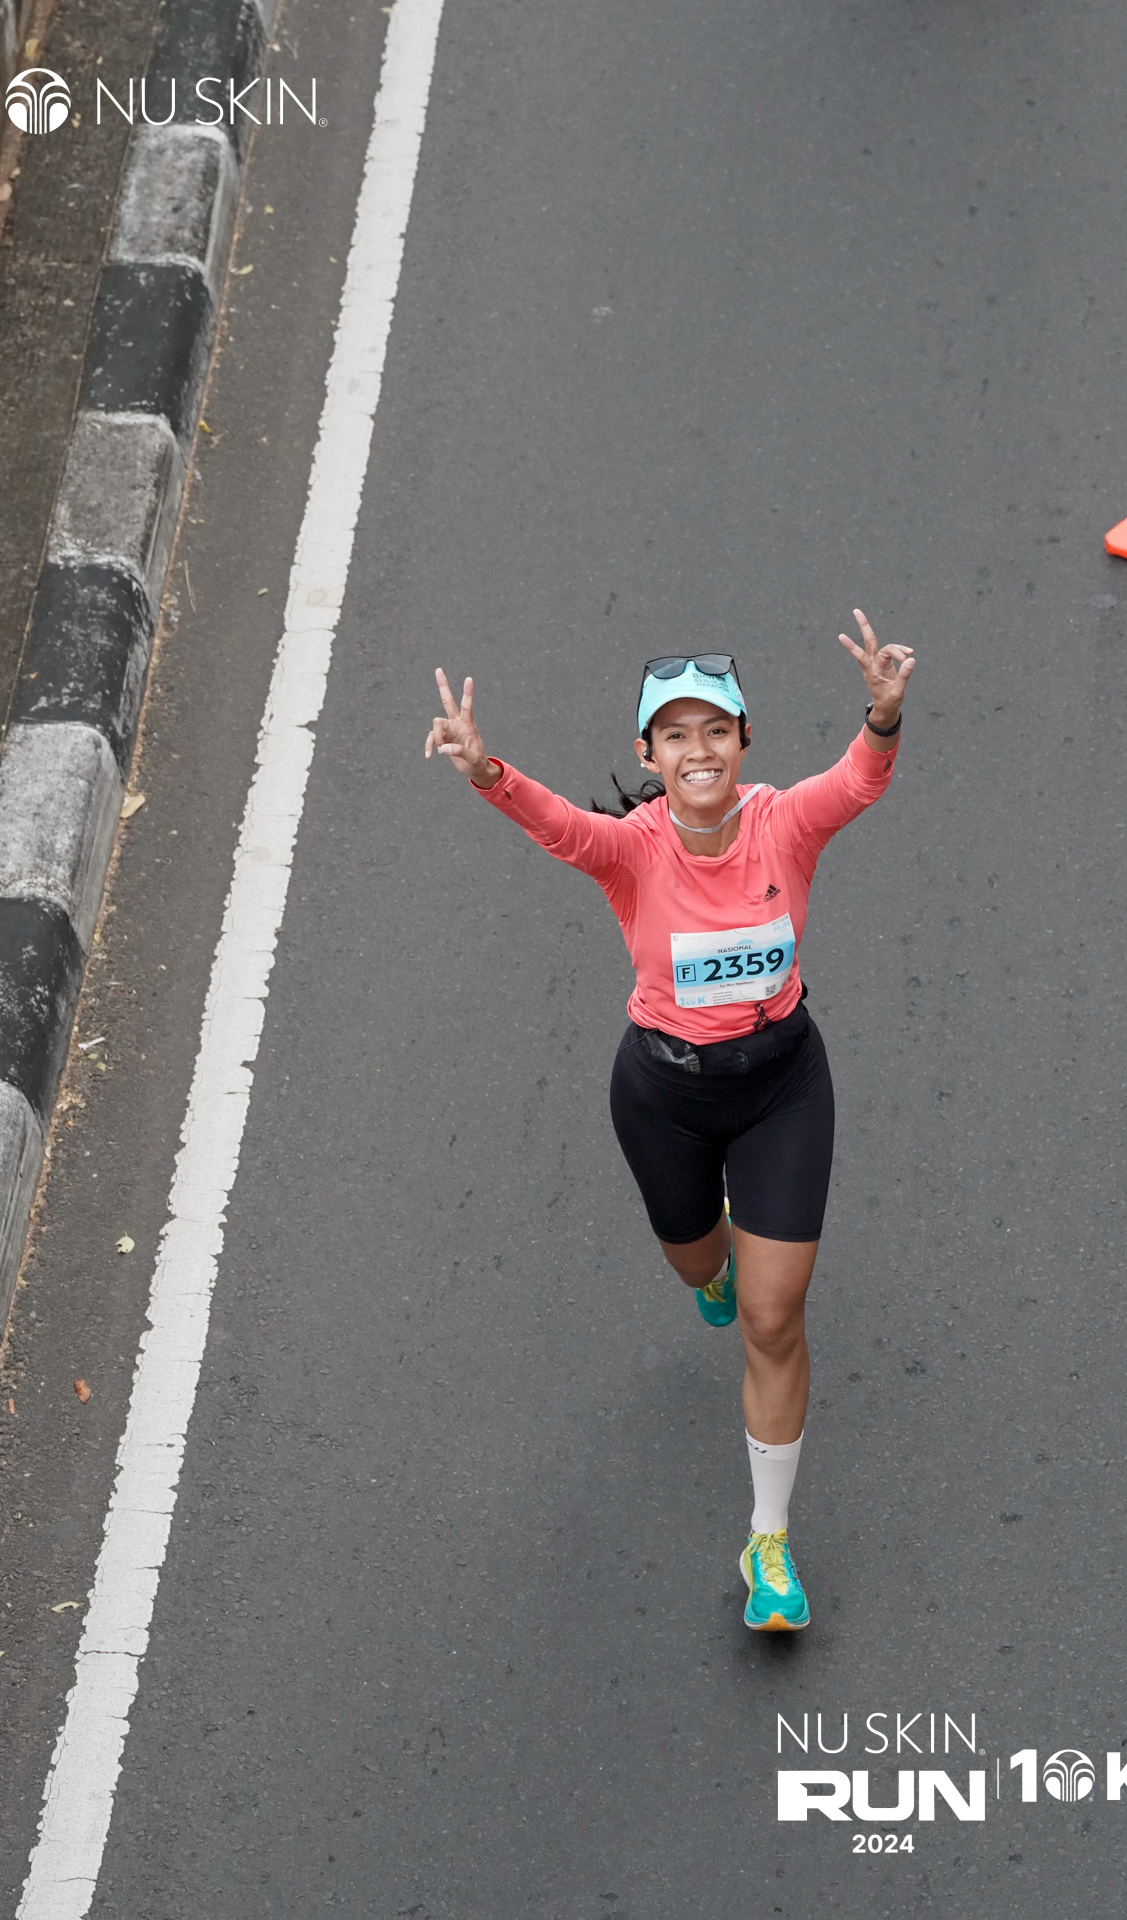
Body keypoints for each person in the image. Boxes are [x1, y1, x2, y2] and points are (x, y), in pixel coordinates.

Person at [425, 612, 913, 1630]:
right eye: (676, 735)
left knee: (772, 1320)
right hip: (665, 1098)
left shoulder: (783, 824)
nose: (699, 750)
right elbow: (560, 826)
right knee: (704, 1274)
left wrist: (880, 715)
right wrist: (485, 770)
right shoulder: (633, 851)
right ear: (648, 755)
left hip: (781, 1088)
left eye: (716, 731)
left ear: (743, 744)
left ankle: (768, 1543)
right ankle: (713, 1266)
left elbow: (856, 782)